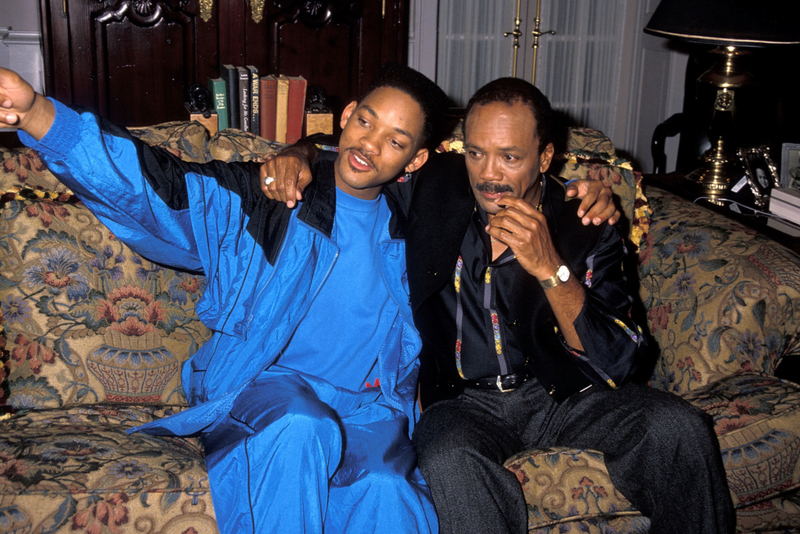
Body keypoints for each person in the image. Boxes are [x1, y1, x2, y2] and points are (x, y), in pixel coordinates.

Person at [264, 77, 736, 534]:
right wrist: (297, 153)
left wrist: (551, 268)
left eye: (510, 157)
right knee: (448, 460)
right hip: (463, 403)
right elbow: (360, 147)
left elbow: (620, 360)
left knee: (678, 427)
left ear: (545, 156)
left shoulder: (584, 222)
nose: (489, 174)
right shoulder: (432, 188)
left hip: (566, 395)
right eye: (476, 153)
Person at [0, 63, 448, 534]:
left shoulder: (419, 230)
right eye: (366, 121)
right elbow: (158, 186)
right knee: (301, 426)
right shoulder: (269, 200)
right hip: (269, 389)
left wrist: (305, 149)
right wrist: (36, 114)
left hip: (366, 411)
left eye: (396, 141)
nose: (370, 144)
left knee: (388, 491)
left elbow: (488, 171)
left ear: (415, 160)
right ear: (348, 114)